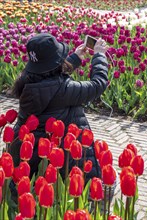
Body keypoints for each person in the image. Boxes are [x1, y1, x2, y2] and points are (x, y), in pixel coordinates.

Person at [9, 33, 109, 184]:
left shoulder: (26, 83)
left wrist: (75, 58)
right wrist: (99, 57)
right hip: (61, 159)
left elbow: (49, 75)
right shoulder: (65, 90)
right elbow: (98, 84)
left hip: (32, 156)